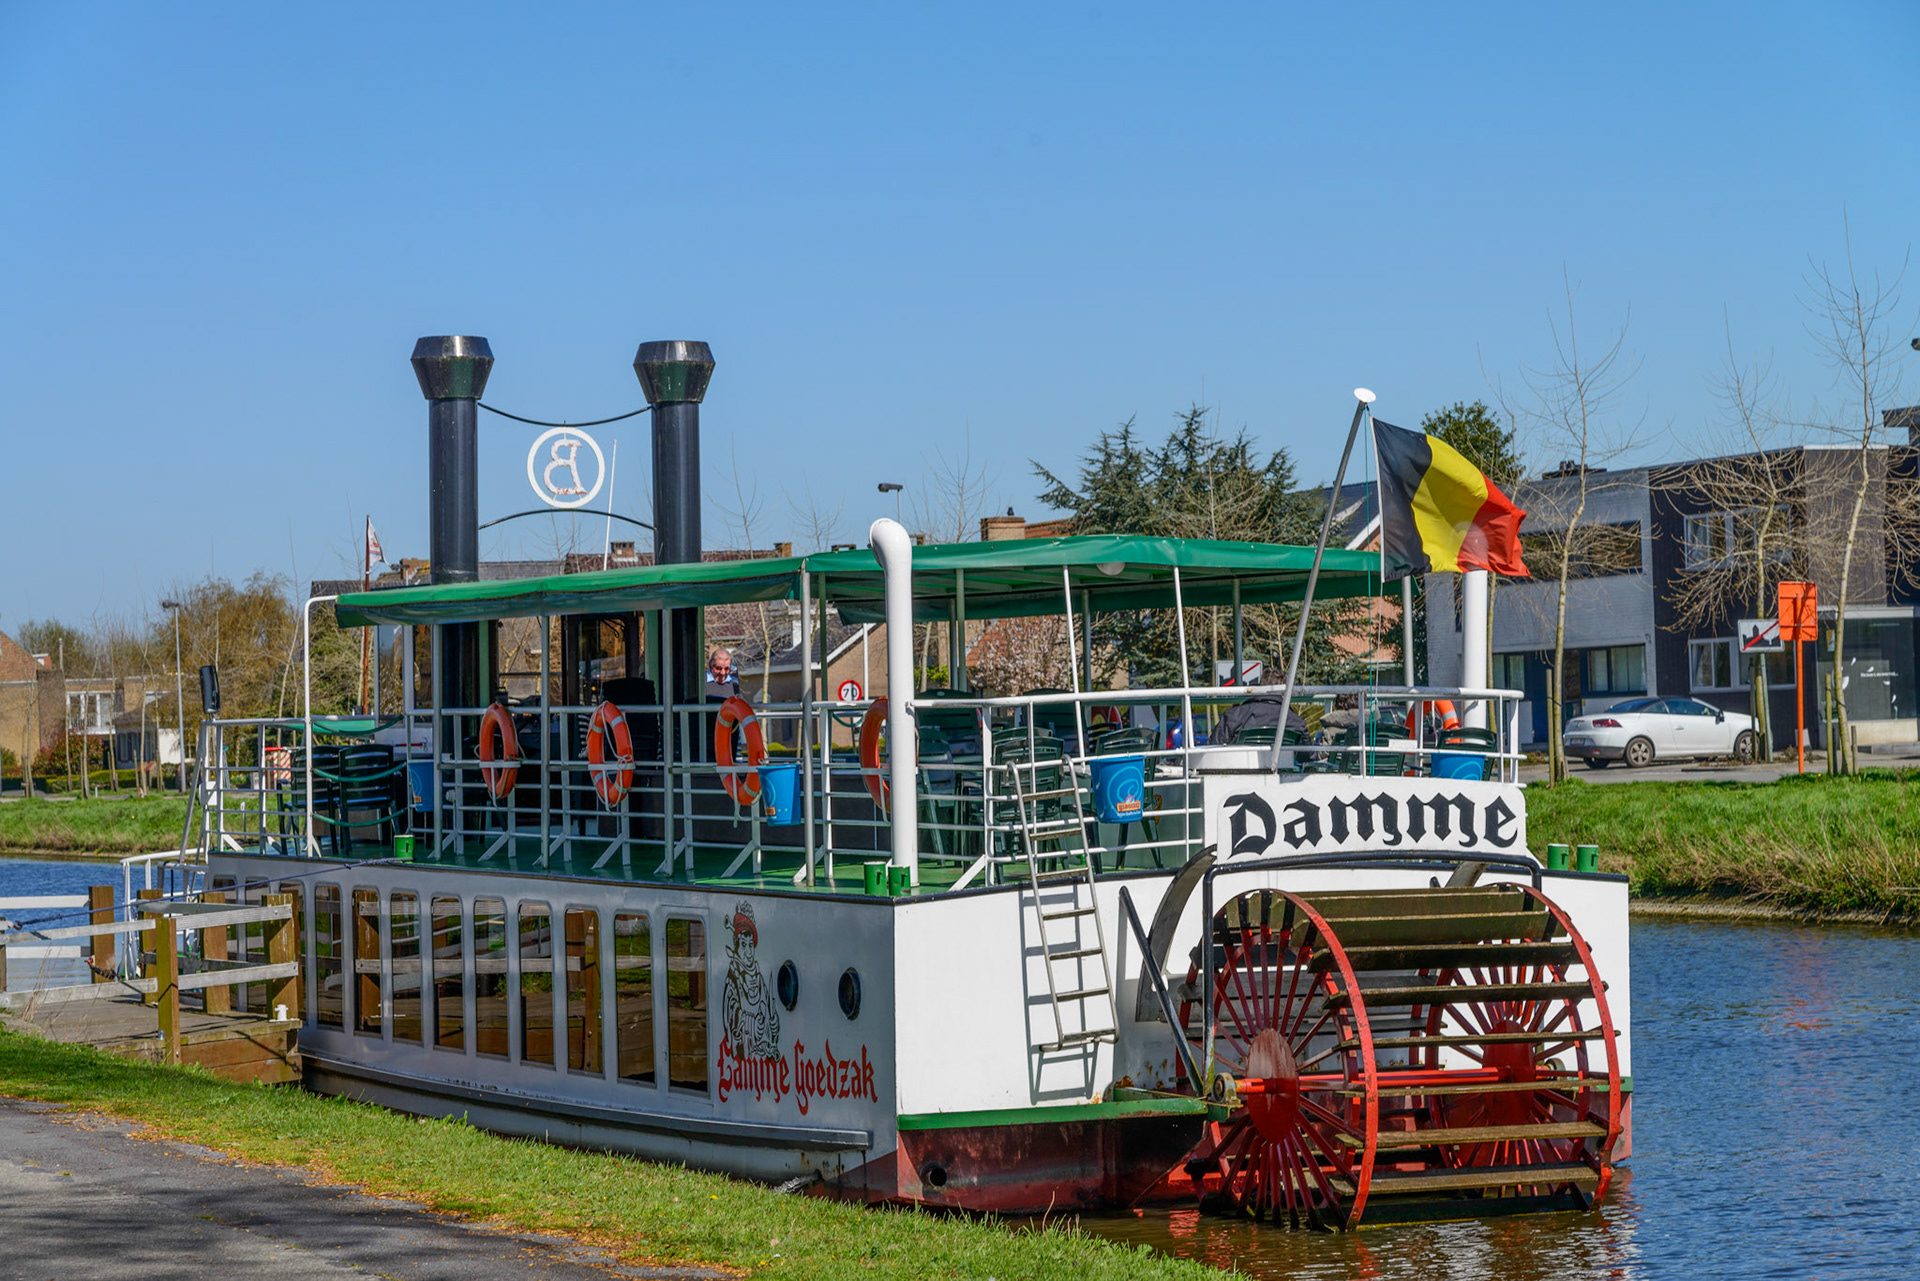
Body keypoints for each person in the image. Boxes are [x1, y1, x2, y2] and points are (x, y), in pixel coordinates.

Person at [1210, 692, 1308, 745]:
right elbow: (1309, 756)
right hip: (1285, 777)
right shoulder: (1297, 722)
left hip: (1239, 775)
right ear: (1284, 695)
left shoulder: (1234, 715)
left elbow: (1212, 747)